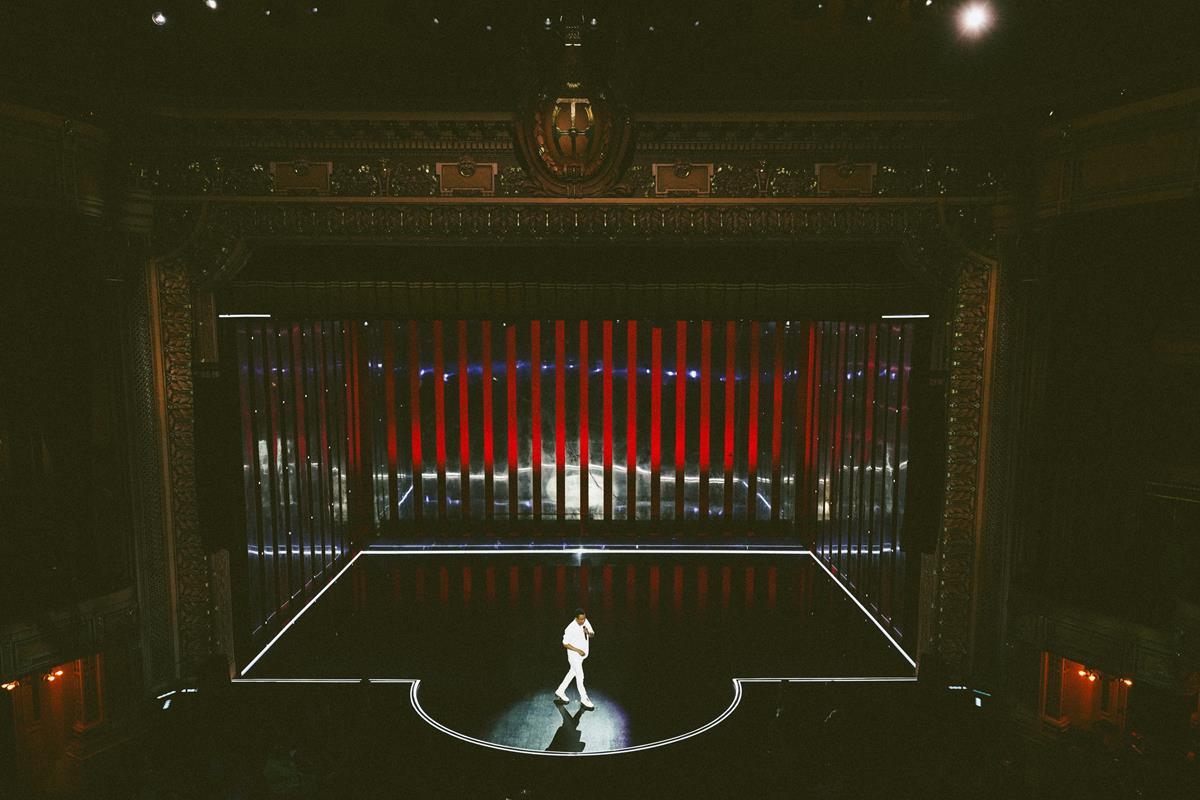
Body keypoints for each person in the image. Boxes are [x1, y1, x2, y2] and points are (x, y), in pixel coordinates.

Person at [554, 607, 595, 709]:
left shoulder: (585, 621)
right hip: (574, 656)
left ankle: (560, 690)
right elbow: (565, 644)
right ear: (576, 618)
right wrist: (578, 650)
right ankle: (584, 698)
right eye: (580, 619)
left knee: (572, 672)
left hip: (582, 656)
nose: (583, 621)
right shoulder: (570, 628)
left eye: (584, 619)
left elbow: (592, 634)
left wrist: (588, 633)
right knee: (580, 676)